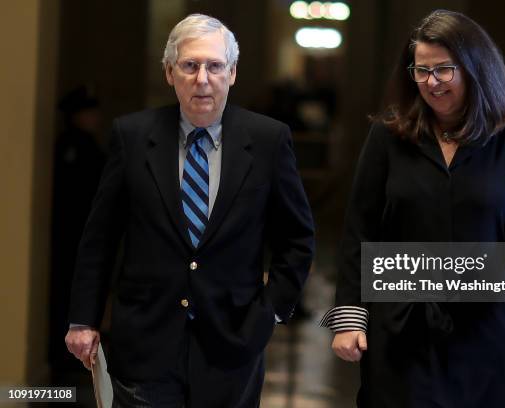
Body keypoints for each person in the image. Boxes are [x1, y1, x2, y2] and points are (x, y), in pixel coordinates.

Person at [320, 10, 505, 407]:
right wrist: (350, 315)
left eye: (444, 69)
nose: (431, 82)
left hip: (493, 332)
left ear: (475, 68)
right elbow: (360, 232)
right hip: (403, 332)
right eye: (421, 70)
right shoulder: (387, 136)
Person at [64, 14, 315, 407]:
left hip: (234, 343)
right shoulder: (131, 137)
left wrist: (271, 312)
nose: (202, 79)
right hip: (145, 343)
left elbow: (297, 240)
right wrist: (83, 319)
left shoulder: (268, 140)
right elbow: (100, 237)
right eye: (190, 65)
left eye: (215, 66)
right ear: (169, 72)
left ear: (232, 73)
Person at [50, 86, 106, 381]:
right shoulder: (73, 146)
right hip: (72, 232)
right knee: (66, 291)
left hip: (78, 231)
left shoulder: (86, 145)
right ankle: (65, 355)